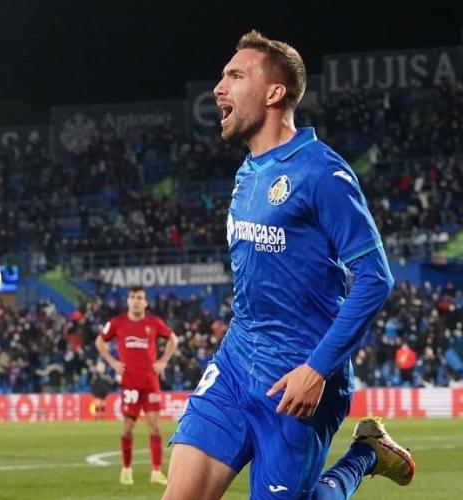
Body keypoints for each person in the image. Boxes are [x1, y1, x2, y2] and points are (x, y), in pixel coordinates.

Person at [164, 31, 415, 500]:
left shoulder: (321, 172)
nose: (218, 87)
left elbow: (375, 278)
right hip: (236, 364)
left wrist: (316, 370)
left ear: (274, 93)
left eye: (235, 75)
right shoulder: (247, 172)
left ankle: (365, 454)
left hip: (298, 378)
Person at [96, 286, 179, 486]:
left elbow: (173, 339)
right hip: (129, 383)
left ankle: (156, 472)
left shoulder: (154, 322)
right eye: (133, 297)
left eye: (140, 297)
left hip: (150, 382)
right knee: (127, 428)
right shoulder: (117, 322)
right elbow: (100, 341)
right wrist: (113, 362)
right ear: (128, 301)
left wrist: (164, 361)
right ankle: (126, 469)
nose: (136, 301)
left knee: (155, 426)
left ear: (145, 302)